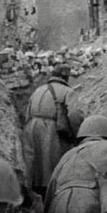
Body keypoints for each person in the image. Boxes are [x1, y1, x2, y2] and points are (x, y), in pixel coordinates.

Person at [22, 63, 84, 200]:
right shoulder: (68, 92)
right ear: (66, 77)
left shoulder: (38, 90)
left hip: (30, 128)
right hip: (50, 129)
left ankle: (32, 194)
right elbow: (74, 115)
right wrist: (79, 135)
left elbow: (27, 113)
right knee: (51, 168)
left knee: (34, 166)